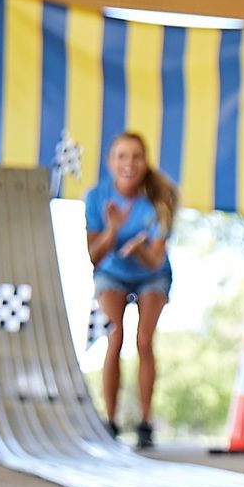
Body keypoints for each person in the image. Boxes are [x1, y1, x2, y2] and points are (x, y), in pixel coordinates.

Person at [84, 131, 177, 450]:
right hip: (111, 273)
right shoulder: (96, 197)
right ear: (110, 162)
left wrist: (137, 248)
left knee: (144, 340)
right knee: (114, 337)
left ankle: (145, 421)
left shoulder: (160, 198)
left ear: (144, 161)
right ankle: (109, 420)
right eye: (121, 156)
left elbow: (153, 260)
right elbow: (93, 257)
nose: (129, 163)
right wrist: (112, 230)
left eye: (136, 156)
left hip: (151, 273)